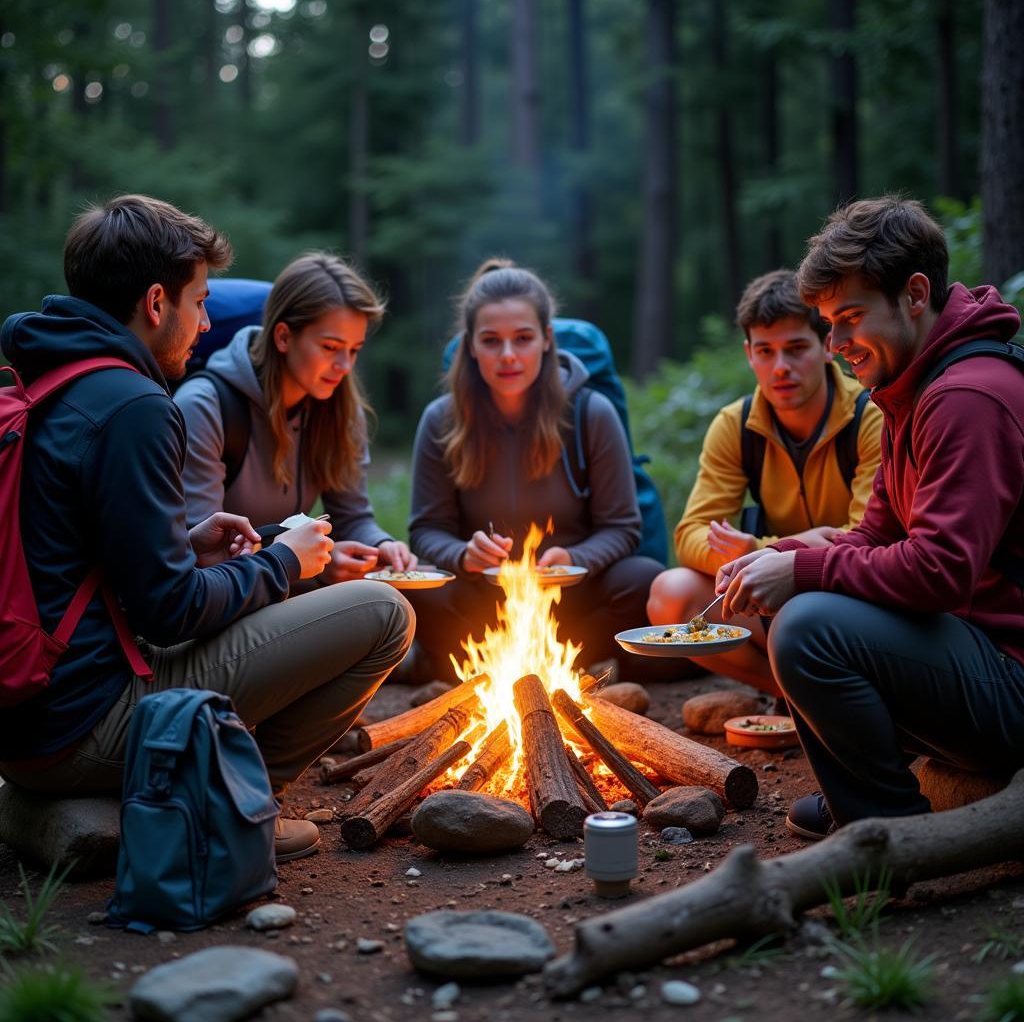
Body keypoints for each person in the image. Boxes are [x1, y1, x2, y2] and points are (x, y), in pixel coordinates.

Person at [0, 195, 413, 861]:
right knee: (385, 614)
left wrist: (186, 544)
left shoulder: (53, 381)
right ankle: (237, 805)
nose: (209, 319)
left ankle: (59, 806)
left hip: (27, 724)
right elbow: (169, 613)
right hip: (83, 725)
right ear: (157, 303)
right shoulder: (136, 405)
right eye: (200, 301)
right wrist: (283, 562)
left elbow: (80, 558)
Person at [715, 196, 1024, 839]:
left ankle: (892, 833)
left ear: (915, 294)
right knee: (792, 596)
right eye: (829, 322)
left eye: (850, 317)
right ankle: (858, 798)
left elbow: (938, 573)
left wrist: (804, 569)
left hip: (1011, 676)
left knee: (806, 623)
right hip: (975, 651)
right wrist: (787, 558)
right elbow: (878, 534)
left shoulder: (967, 397)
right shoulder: (913, 390)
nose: (836, 344)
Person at [407, 258, 664, 680]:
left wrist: (575, 558)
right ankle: (488, 666)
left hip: (571, 601)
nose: (508, 356)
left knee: (643, 578)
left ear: (546, 339)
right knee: (414, 591)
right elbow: (424, 529)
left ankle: (549, 668)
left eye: (522, 338)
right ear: (470, 345)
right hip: (481, 600)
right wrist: (463, 554)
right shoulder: (441, 420)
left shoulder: (590, 413)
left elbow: (623, 527)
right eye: (491, 341)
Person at [646, 269, 883, 694]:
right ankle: (798, 699)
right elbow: (691, 533)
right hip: (771, 592)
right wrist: (754, 560)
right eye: (766, 351)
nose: (781, 368)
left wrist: (764, 552)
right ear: (748, 354)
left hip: (851, 590)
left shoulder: (870, 416)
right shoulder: (735, 425)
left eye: (795, 349)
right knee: (671, 594)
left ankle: (854, 701)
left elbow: (873, 539)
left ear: (828, 345)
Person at [174, 252, 415, 588]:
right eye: (331, 347)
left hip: (283, 581)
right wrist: (310, 566)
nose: (345, 367)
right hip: (225, 602)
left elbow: (352, 516)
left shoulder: (340, 409)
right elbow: (200, 557)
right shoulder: (205, 407)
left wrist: (380, 546)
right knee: (385, 610)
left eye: (354, 350)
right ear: (284, 336)